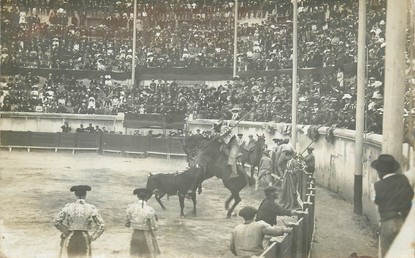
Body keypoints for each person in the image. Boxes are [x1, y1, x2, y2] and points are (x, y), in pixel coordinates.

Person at [370, 154, 414, 258]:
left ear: (380, 172)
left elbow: (375, 200)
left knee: (387, 254)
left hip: (387, 223)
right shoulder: (405, 179)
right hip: (404, 222)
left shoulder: (376, 186)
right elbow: (410, 195)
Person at [53, 185, 105, 258]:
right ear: (85, 194)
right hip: (84, 238)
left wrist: (66, 232)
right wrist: (93, 237)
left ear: (75, 195)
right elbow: (101, 225)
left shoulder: (68, 207)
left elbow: (56, 222)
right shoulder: (91, 208)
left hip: (71, 236)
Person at [125, 188, 161, 258]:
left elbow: (126, 224)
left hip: (135, 235)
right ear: (147, 197)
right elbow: (155, 227)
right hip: (146, 236)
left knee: (135, 255)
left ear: (138, 196)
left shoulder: (130, 208)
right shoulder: (150, 210)